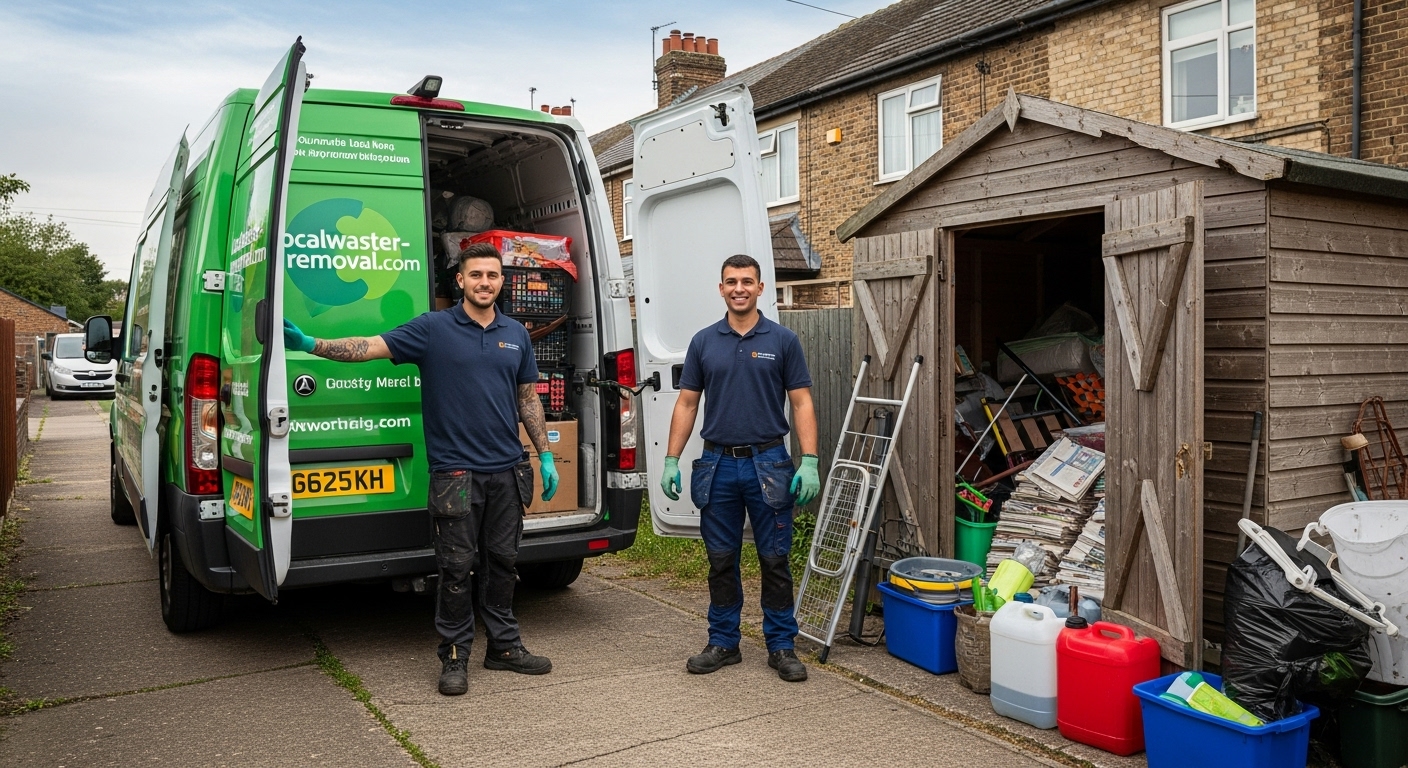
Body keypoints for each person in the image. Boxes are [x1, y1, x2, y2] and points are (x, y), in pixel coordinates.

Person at [282, 242, 558, 697]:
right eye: (476, 275)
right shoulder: (433, 329)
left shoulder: (516, 333)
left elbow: (528, 398)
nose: (484, 283)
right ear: (461, 281)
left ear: (501, 281)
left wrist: (544, 453)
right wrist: (312, 344)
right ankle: (454, 656)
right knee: (455, 568)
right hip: (456, 476)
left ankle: (504, 647)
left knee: (504, 563)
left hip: (508, 471)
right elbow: (369, 346)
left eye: (492, 275)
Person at [660, 254, 821, 683]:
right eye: (731, 281)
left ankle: (782, 645)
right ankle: (724, 642)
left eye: (746, 281)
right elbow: (687, 403)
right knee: (720, 559)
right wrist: (671, 459)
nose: (738, 288)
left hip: (770, 463)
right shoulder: (703, 342)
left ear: (760, 288)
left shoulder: (783, 340)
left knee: (774, 559)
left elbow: (801, 401)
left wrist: (809, 460)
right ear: (721, 289)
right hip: (717, 465)